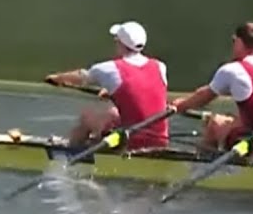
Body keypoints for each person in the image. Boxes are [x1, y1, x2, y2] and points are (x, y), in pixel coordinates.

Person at [171, 22, 253, 160]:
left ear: (239, 42)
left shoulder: (233, 70)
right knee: (228, 120)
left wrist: (179, 106)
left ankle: (200, 166)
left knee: (214, 123)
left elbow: (204, 96)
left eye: (233, 41)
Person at [44, 21, 169, 150]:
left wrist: (57, 78)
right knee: (112, 113)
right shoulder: (160, 66)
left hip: (132, 142)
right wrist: (111, 92)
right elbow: (141, 90)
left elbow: (81, 77)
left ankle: (68, 151)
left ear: (120, 43)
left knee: (87, 116)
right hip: (161, 141)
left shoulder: (110, 68)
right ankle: (95, 142)